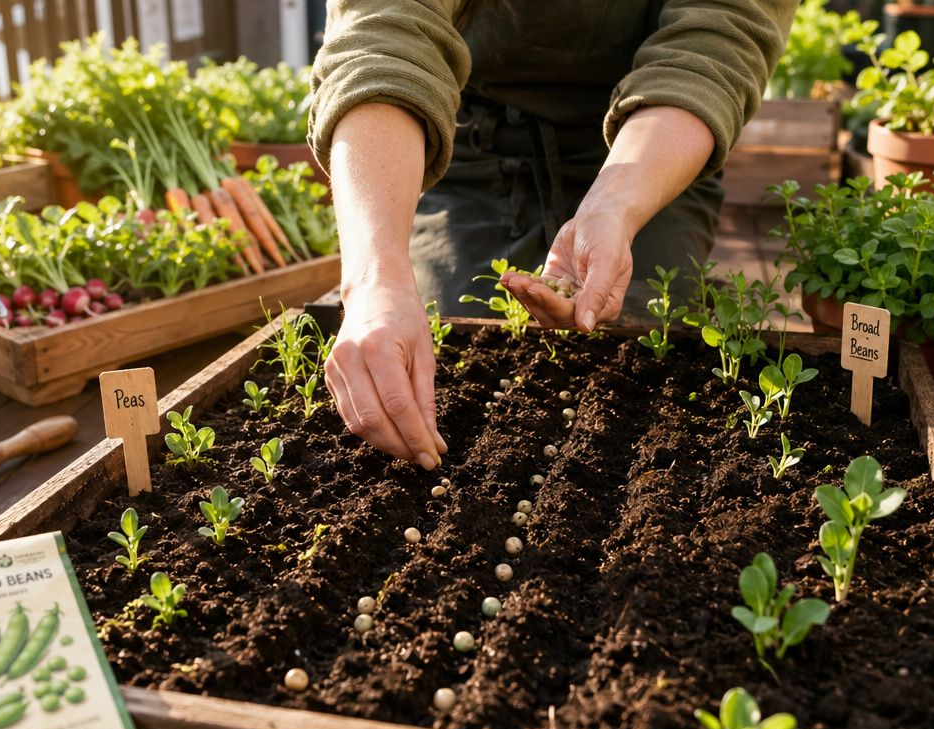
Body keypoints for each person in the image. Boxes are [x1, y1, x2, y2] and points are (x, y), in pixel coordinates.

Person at [308, 0, 795, 470]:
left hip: (657, 143)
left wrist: (614, 208)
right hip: (468, 138)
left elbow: (714, 46)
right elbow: (382, 41)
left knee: (653, 372)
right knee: (444, 359)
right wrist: (375, 280)